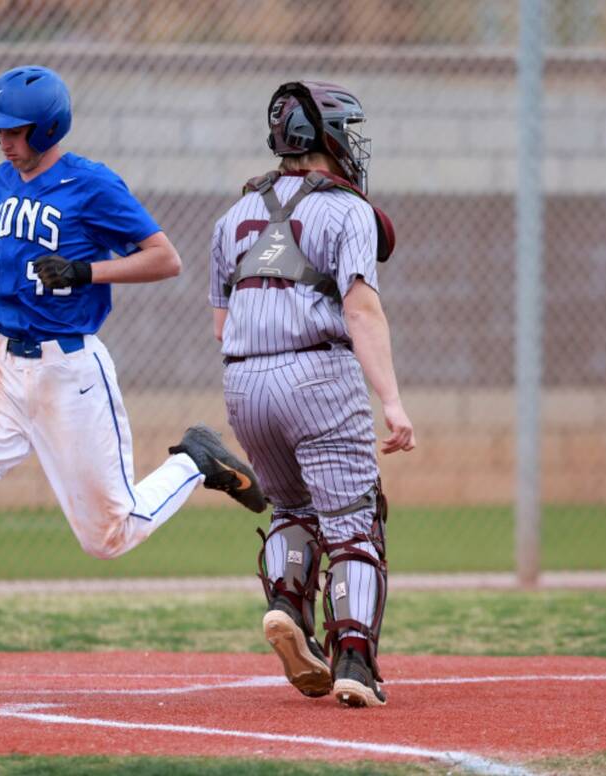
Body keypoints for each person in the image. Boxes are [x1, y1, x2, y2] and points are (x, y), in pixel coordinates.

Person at [0, 65, 266, 697]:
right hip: (4, 370)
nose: (4, 142)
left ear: (48, 127)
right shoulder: (6, 178)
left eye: (15, 131)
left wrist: (86, 273)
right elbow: (7, 248)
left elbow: (164, 258)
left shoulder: (92, 184)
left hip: (69, 374)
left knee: (108, 536)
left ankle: (194, 462)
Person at [208, 80, 415, 707]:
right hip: (317, 377)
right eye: (347, 131)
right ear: (327, 136)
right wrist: (392, 402)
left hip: (244, 381)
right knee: (353, 525)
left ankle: (286, 605)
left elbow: (221, 325)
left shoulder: (233, 216)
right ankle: (353, 659)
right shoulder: (348, 210)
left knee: (291, 510)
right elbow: (361, 311)